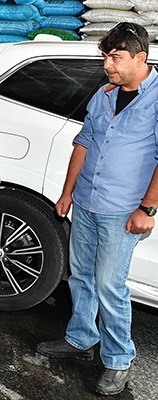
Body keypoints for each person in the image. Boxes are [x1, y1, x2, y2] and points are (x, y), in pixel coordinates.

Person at [36, 22, 158, 396]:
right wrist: (67, 192)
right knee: (81, 276)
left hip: (122, 210)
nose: (108, 64)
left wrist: (148, 208)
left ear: (141, 57)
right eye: (106, 56)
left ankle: (119, 359)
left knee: (110, 285)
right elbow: (84, 143)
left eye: (116, 57)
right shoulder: (104, 95)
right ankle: (79, 338)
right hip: (86, 202)